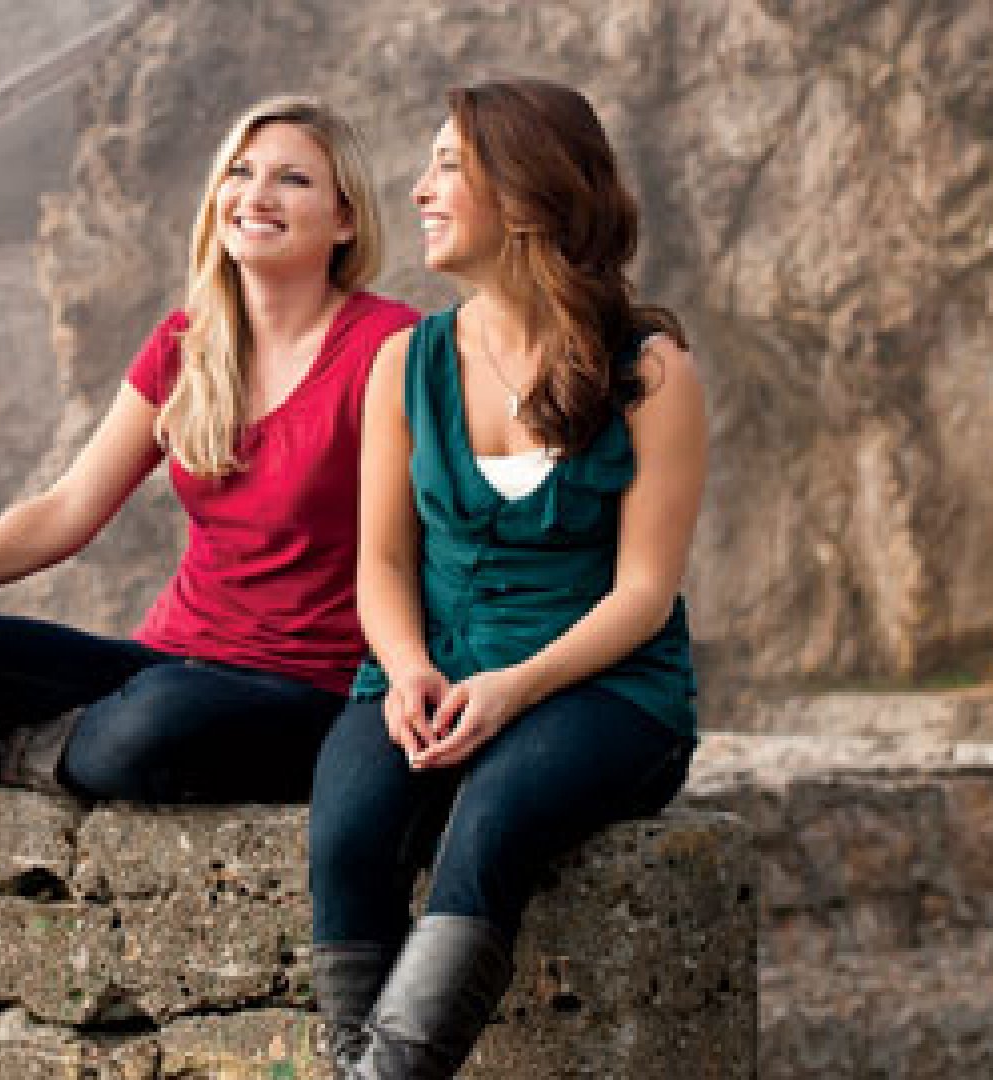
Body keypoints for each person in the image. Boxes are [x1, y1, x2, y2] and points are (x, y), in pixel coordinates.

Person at [0, 94, 418, 1077]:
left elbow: (421, 538)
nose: (257, 195)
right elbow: (70, 507)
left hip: (303, 691)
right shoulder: (189, 341)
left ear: (346, 218)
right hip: (170, 661)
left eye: (292, 179)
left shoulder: (389, 347)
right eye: (241, 172)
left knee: (150, 725)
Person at [306, 78, 708, 1078]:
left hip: (606, 691)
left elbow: (644, 592)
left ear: (525, 195)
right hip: (431, 672)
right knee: (348, 832)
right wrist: (408, 669)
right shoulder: (404, 363)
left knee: (492, 818)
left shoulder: (652, 372)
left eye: (448, 165)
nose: (418, 190)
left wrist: (514, 689)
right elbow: (382, 562)